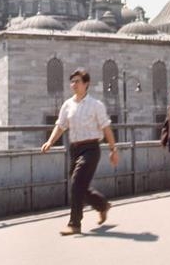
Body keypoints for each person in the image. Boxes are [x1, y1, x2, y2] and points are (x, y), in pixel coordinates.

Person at [41, 68, 119, 235]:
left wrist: (113, 149)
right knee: (79, 185)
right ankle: (102, 205)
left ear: (86, 84)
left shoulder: (96, 105)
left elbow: (106, 128)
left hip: (91, 148)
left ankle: (74, 223)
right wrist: (49, 141)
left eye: (77, 81)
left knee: (77, 182)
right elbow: (60, 126)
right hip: (75, 149)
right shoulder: (67, 105)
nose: (73, 85)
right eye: (72, 82)